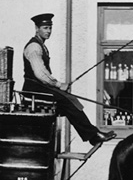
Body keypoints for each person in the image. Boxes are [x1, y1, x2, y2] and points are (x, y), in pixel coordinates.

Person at [22, 13, 116, 145]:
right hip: (33, 90)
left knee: (70, 100)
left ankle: (92, 135)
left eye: (50, 28)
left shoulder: (41, 45)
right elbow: (40, 74)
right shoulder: (34, 47)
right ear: (37, 28)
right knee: (67, 101)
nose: (48, 31)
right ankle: (93, 135)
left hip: (40, 88)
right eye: (45, 28)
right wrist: (59, 85)